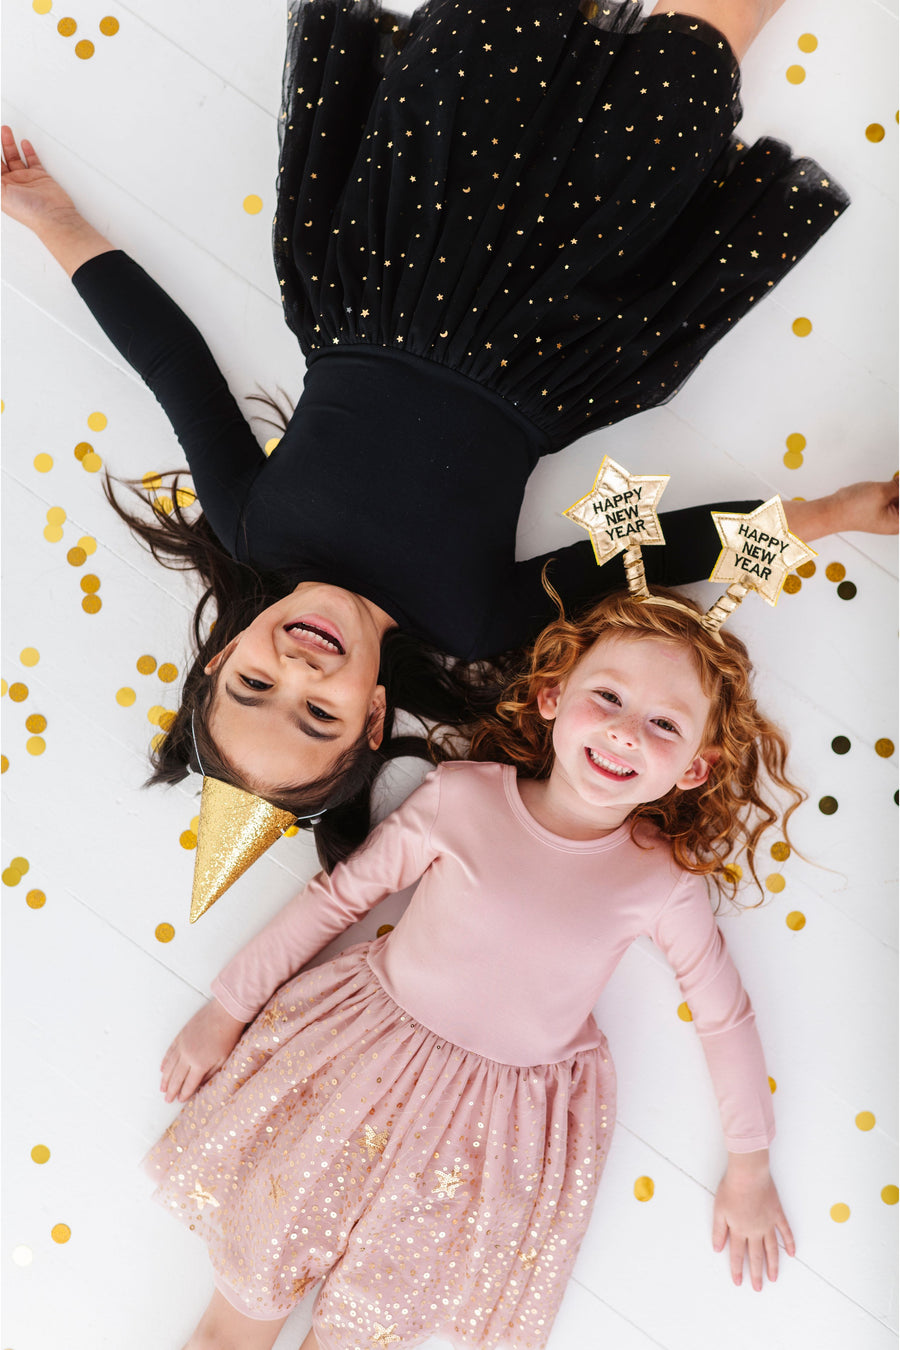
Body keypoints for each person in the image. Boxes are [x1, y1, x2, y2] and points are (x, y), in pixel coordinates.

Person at [1, 0, 895, 875]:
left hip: (403, 242)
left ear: (223, 653)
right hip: (564, 315)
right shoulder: (470, 617)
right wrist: (829, 512)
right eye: (320, 714)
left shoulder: (254, 525)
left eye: (255, 685)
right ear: (374, 714)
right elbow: (650, 551)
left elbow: (171, 364)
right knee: (701, 49)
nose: (298, 671)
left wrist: (54, 220)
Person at [153, 585, 802, 1350]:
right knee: (236, 1318)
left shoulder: (659, 881)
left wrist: (750, 1164)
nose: (627, 734)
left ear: (695, 768)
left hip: (490, 1136)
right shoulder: (460, 798)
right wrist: (227, 1007)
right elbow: (338, 901)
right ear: (555, 697)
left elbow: (724, 1015)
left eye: (663, 725)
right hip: (359, 1069)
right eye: (610, 698)